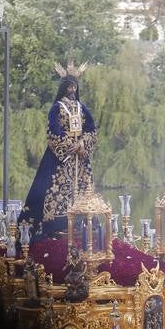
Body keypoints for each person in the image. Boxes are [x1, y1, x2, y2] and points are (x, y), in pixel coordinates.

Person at [18, 70, 97, 238]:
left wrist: (82, 143)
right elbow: (53, 131)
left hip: (80, 156)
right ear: (64, 88)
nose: (73, 90)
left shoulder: (82, 108)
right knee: (51, 187)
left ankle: (82, 223)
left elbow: (91, 128)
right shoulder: (56, 108)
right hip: (61, 157)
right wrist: (71, 145)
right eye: (70, 86)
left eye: (75, 86)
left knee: (83, 188)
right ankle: (55, 225)